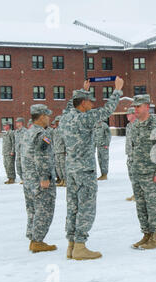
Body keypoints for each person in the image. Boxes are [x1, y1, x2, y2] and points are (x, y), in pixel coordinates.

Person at [59, 77, 124, 260]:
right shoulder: (85, 118)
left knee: (72, 207)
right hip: (85, 171)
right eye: (89, 100)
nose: (92, 103)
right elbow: (107, 110)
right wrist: (117, 90)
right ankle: (80, 246)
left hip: (70, 170)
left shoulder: (65, 118)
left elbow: (69, 105)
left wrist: (82, 89)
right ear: (83, 103)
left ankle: (71, 245)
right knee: (86, 207)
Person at [130, 95, 156, 250]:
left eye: (138, 106)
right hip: (137, 174)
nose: (135, 109)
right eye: (134, 107)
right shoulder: (134, 126)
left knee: (153, 207)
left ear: (146, 106)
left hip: (152, 175)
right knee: (141, 207)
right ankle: (146, 234)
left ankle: (155, 237)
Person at [22, 104, 57, 253]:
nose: (49, 118)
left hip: (29, 179)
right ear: (42, 116)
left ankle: (33, 238)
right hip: (39, 180)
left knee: (32, 210)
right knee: (44, 209)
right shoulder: (41, 135)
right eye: (47, 115)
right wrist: (44, 177)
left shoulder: (28, 132)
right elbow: (42, 157)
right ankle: (37, 241)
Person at [125, 107, 137, 201]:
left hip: (137, 155)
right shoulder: (129, 125)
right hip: (130, 154)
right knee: (132, 175)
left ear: (134, 114)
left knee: (137, 175)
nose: (127, 115)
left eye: (129, 114)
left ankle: (139, 195)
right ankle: (135, 193)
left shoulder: (138, 125)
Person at [53, 115, 66, 187]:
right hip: (56, 151)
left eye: (58, 121)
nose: (57, 123)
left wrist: (66, 150)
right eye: (56, 121)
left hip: (62, 151)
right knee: (58, 167)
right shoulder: (55, 130)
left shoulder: (63, 130)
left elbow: (66, 141)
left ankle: (66, 180)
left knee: (63, 166)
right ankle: (61, 180)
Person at [14, 117, 27, 184]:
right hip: (18, 152)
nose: (16, 123)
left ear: (21, 123)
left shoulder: (25, 131)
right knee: (18, 166)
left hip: (24, 152)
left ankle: (25, 179)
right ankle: (22, 178)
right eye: (16, 122)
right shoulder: (16, 132)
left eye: (17, 122)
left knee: (24, 166)